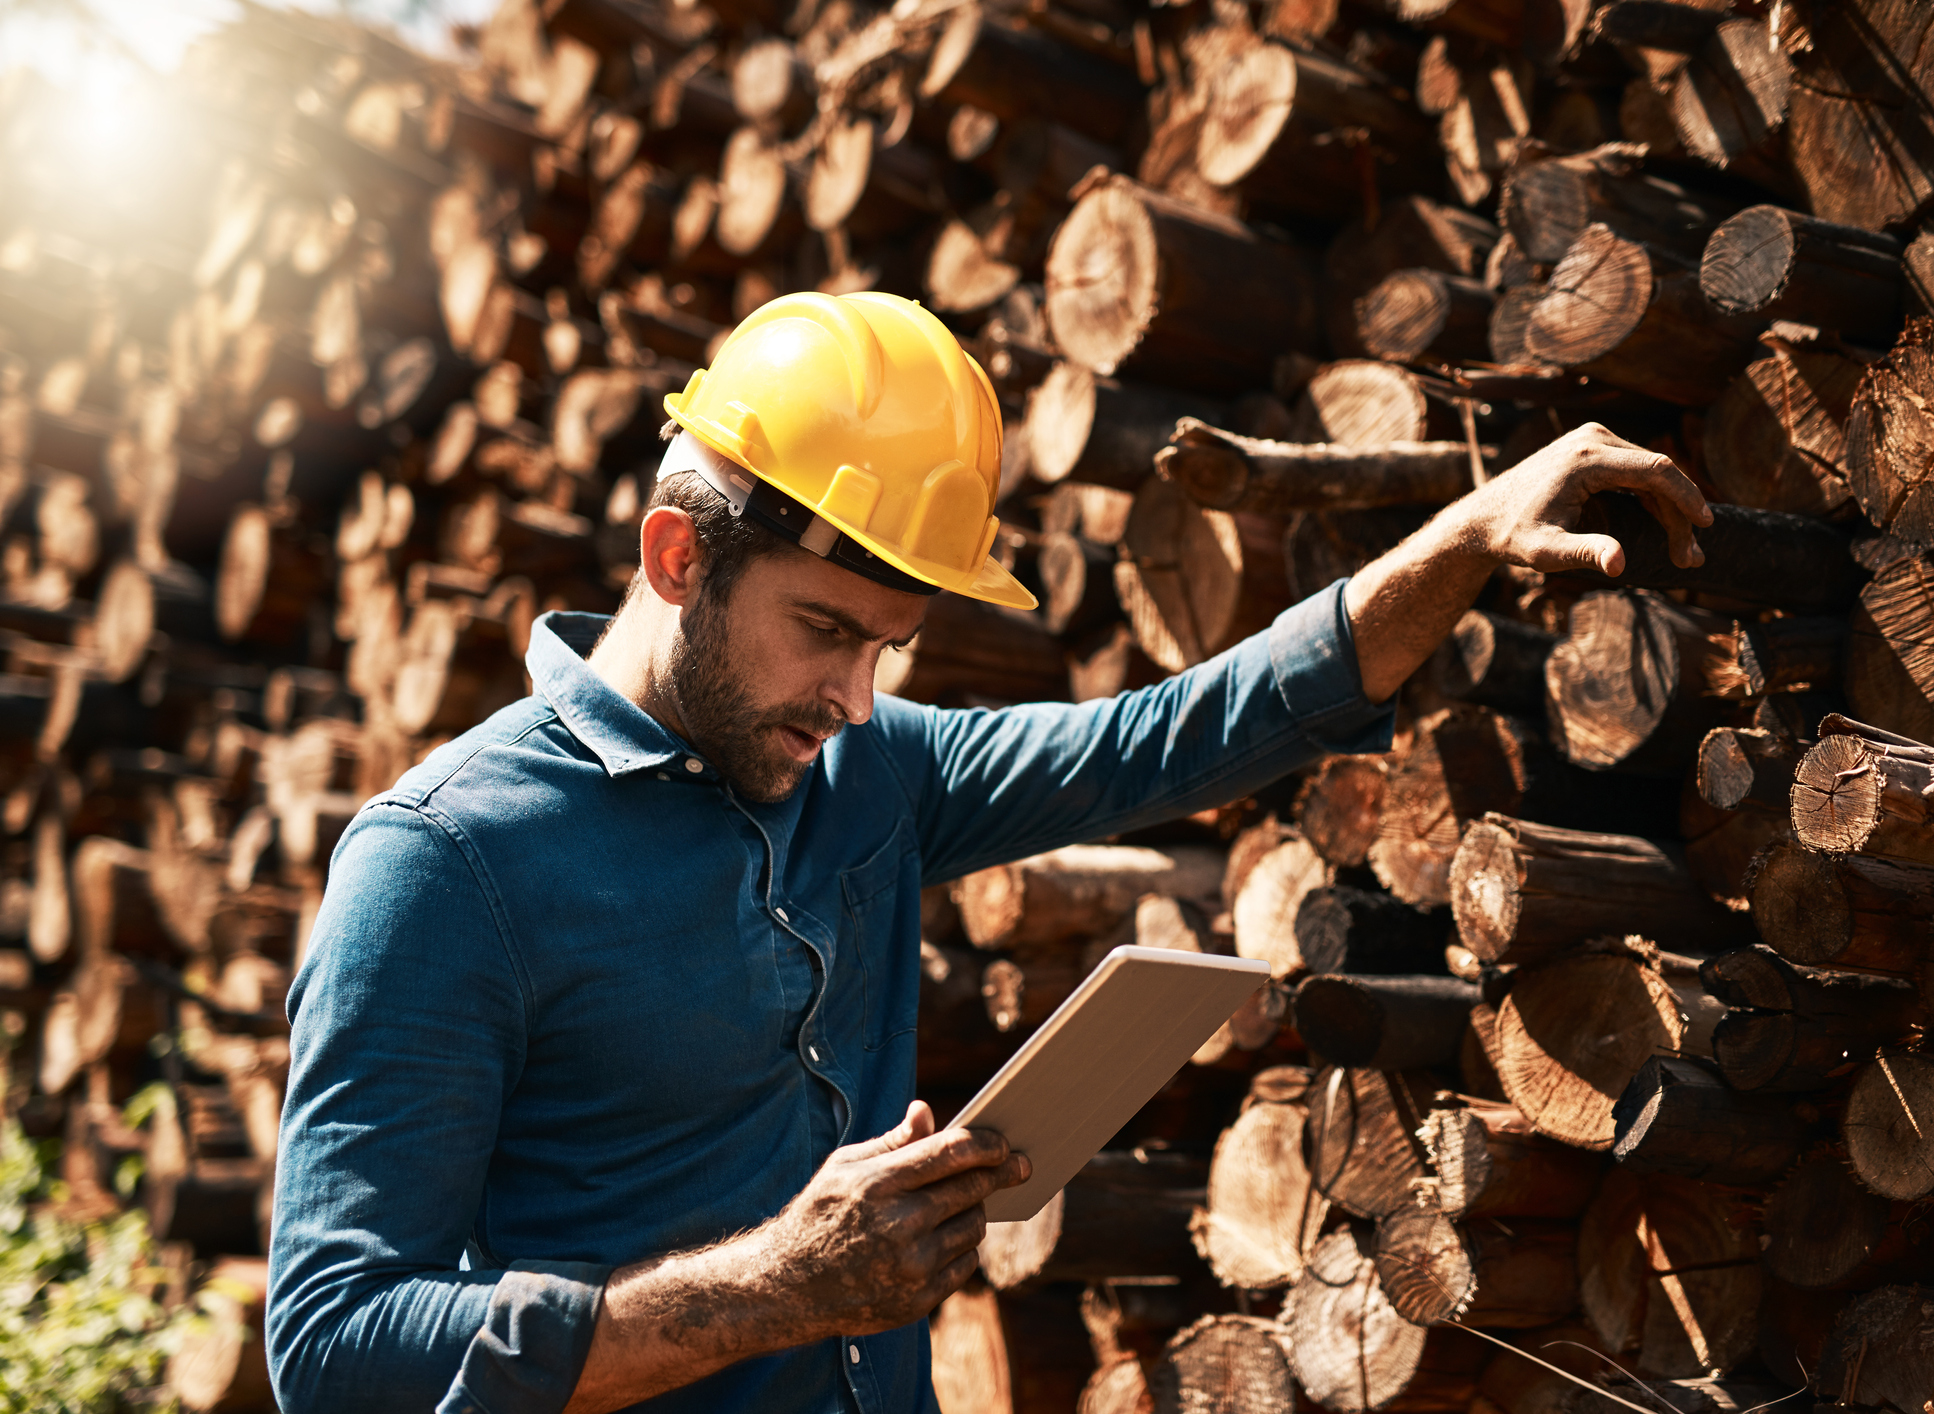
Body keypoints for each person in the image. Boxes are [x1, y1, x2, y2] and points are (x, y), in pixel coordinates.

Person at [265, 291, 1709, 1414]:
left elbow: (1173, 735)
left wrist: (1461, 539)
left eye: (888, 648)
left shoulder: (864, 766)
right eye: (826, 628)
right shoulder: (445, 866)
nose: (853, 698)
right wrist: (776, 1287)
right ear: (674, 558)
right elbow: (332, 1348)